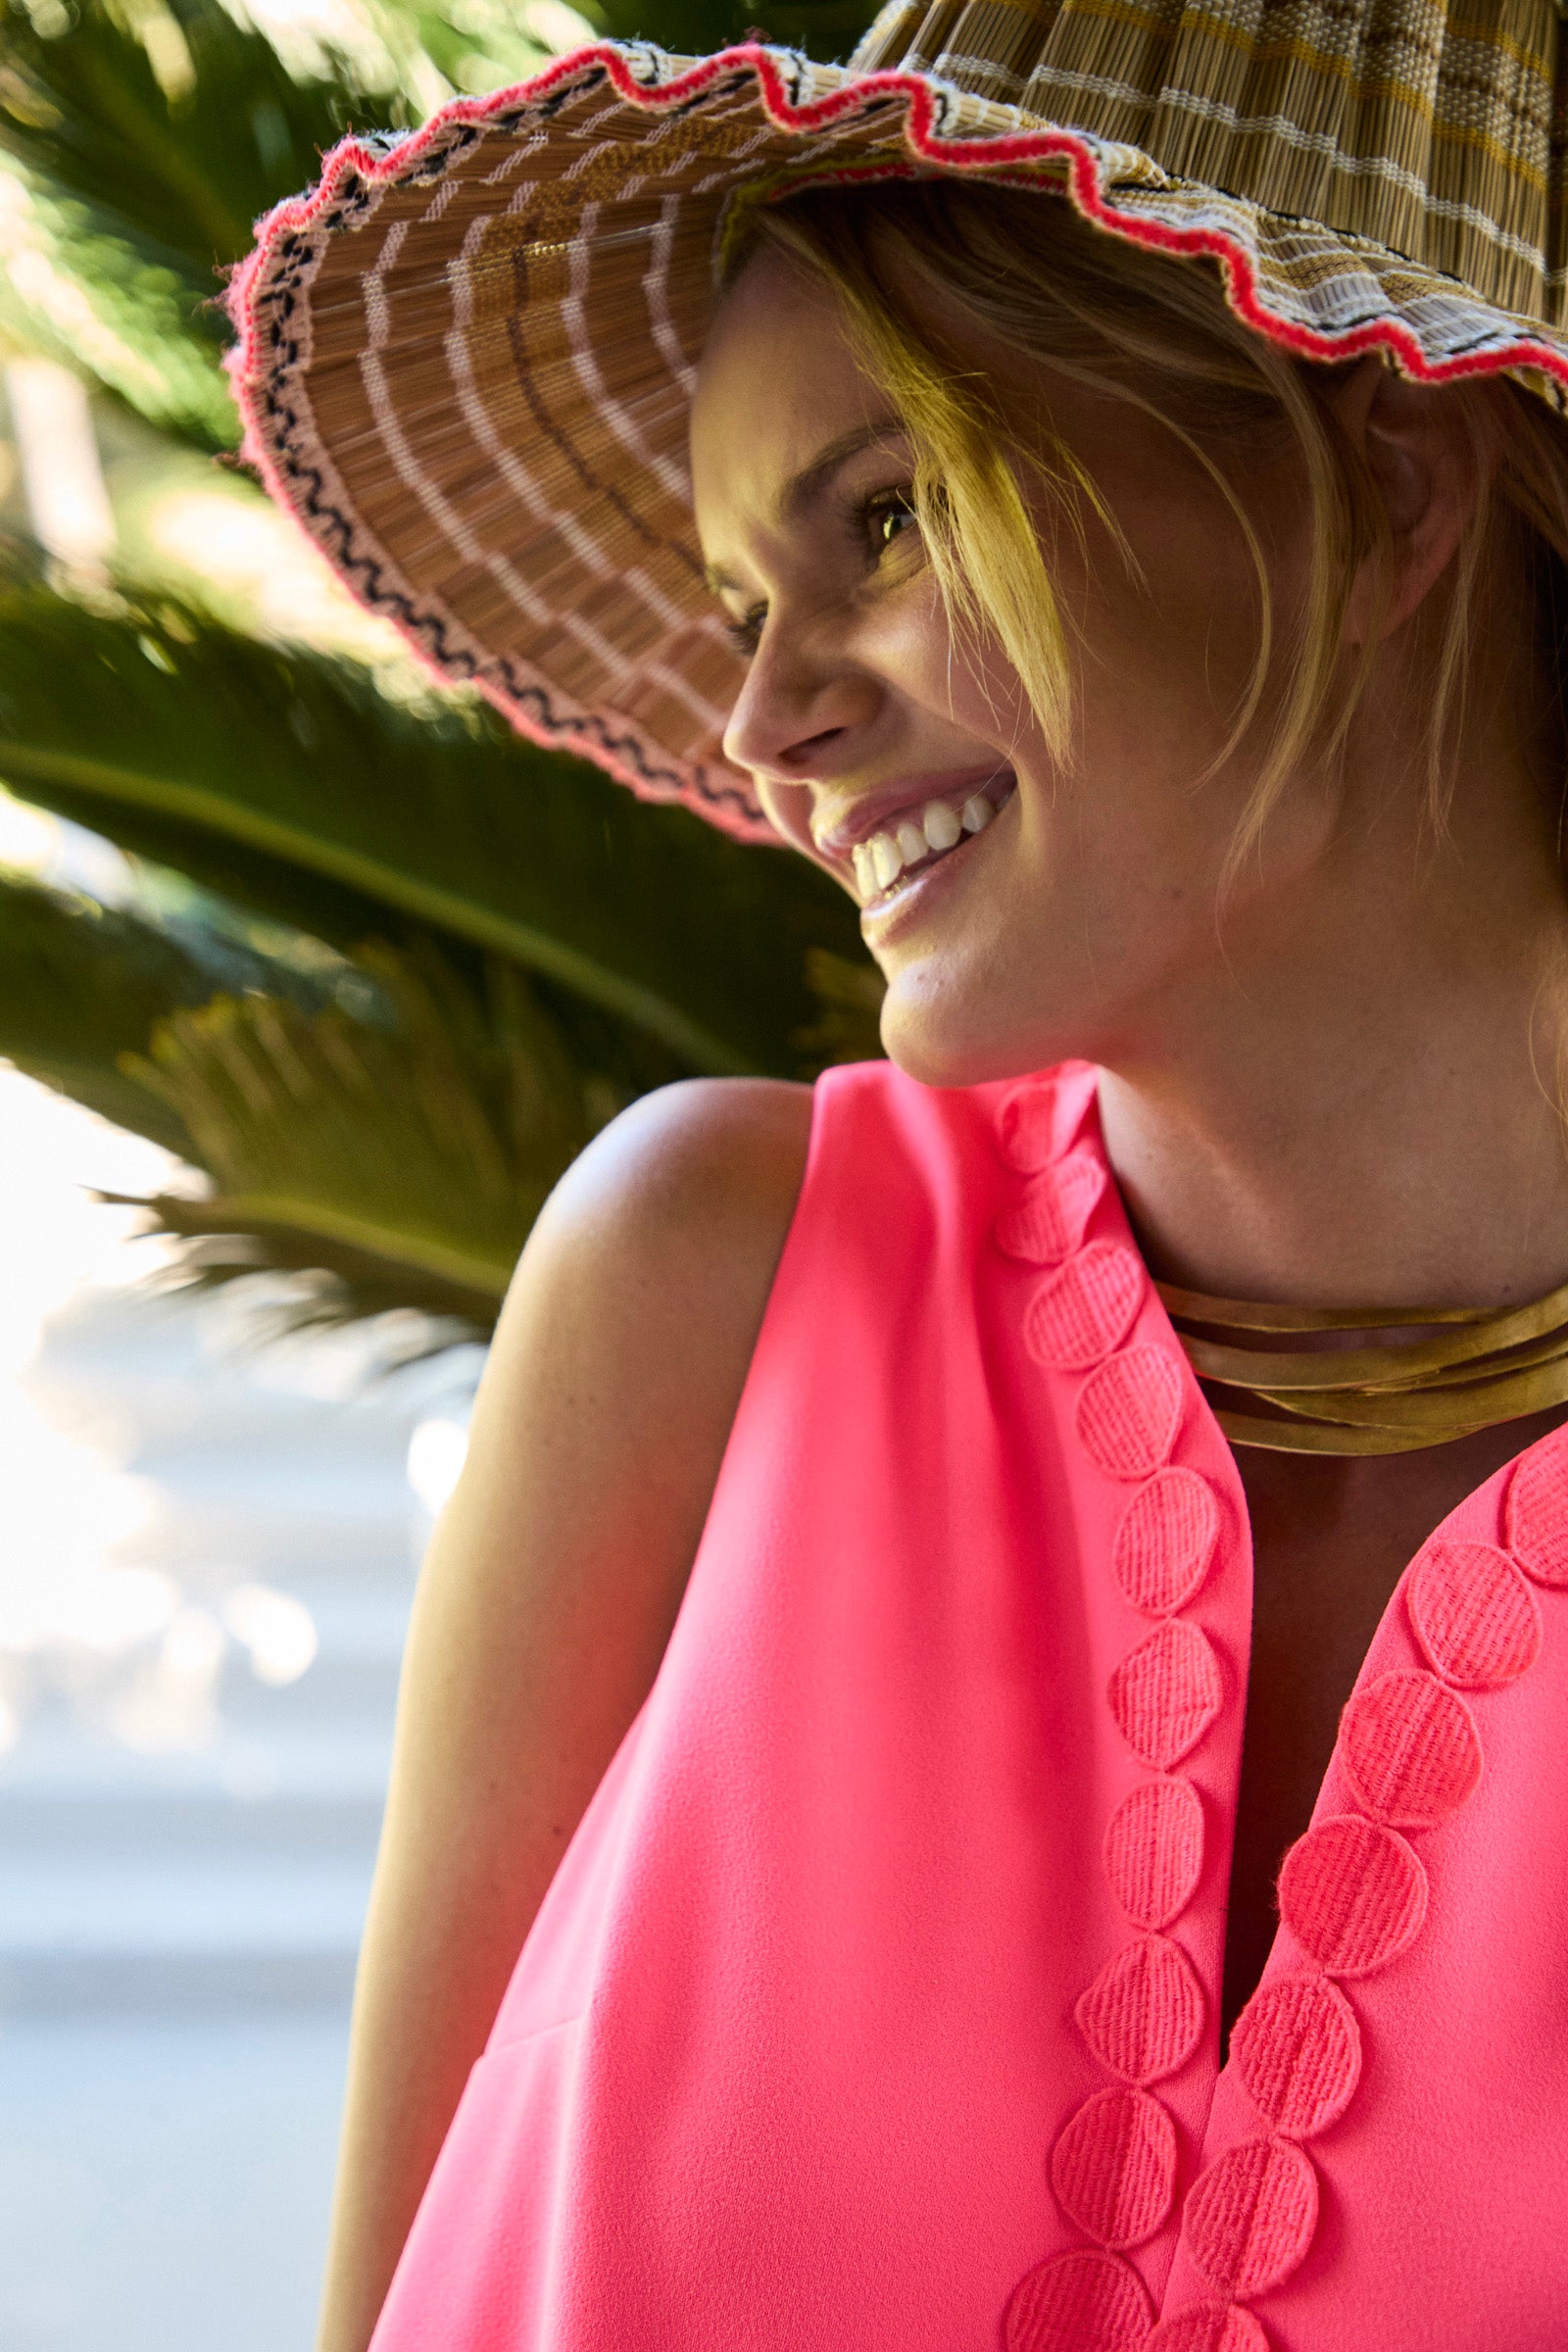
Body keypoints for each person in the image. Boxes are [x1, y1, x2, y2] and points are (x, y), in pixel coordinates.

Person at [232, 9, 1568, 2345]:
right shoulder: (704, 1299)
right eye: (743, 604)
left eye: (886, 515)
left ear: (1383, 491)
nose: (765, 726)